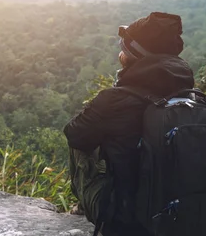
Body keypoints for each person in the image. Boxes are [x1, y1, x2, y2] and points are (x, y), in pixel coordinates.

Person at [64, 12, 191, 236]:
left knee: (80, 140)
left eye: (123, 48)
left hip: (126, 223)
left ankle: (85, 207)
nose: (120, 52)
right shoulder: (189, 97)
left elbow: (74, 134)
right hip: (183, 216)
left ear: (132, 56)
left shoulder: (113, 100)